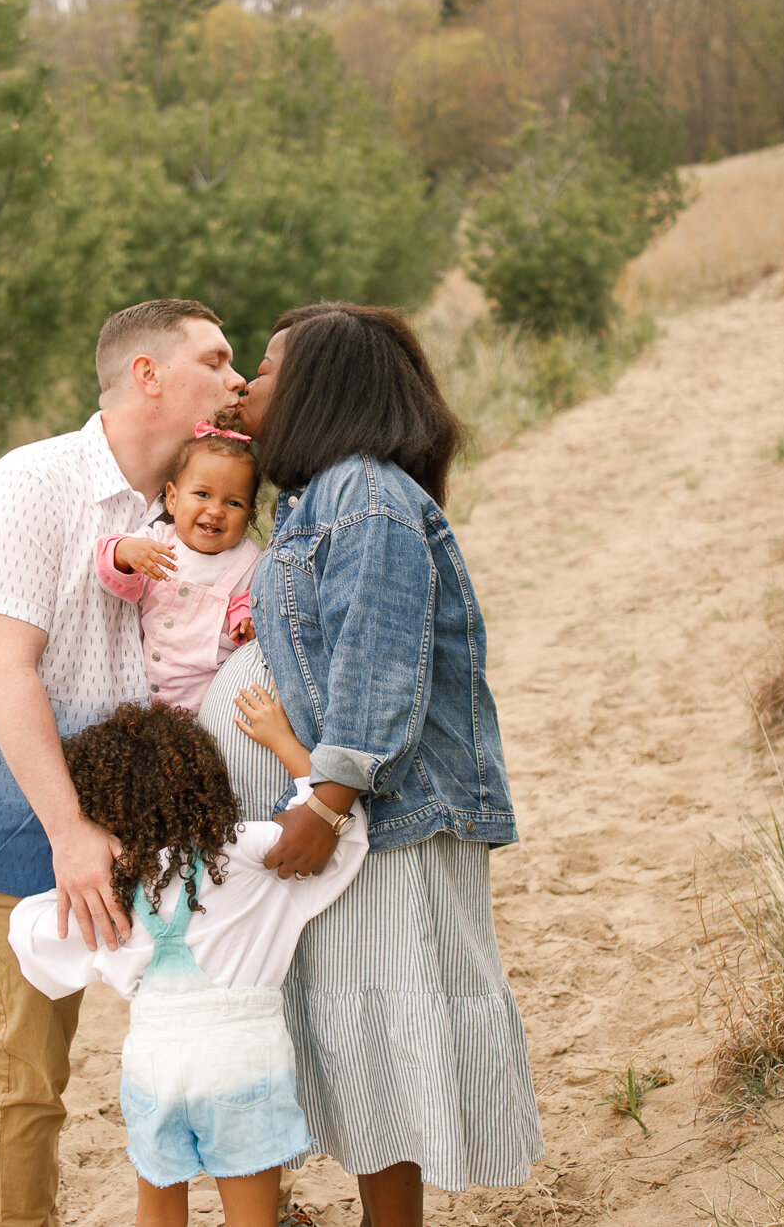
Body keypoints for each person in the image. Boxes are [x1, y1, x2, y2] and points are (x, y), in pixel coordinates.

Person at [200, 303, 544, 1227]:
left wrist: (326, 795)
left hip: (379, 824)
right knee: (363, 1038)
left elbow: (379, 657)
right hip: (347, 825)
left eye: (264, 369)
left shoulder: (367, 495)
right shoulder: (322, 497)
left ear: (316, 386)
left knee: (384, 1031)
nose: (247, 385)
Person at [0, 298, 246, 1227]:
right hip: (28, 833)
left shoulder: (199, 502)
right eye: (217, 360)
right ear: (148, 375)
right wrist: (68, 831)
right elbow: (3, 666)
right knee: (29, 1077)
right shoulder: (31, 485)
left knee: (190, 1055)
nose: (236, 382)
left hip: (158, 837)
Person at [8, 702, 369, 1227]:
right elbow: (339, 830)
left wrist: (83, 857)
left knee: (157, 1209)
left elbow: (29, 932)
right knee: (251, 1217)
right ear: (205, 779)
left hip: (154, 1066)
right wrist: (285, 745)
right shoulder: (247, 854)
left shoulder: (114, 889)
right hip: (244, 1060)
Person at [95, 427, 262, 713]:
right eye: (202, 494)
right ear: (172, 498)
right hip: (144, 691)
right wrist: (124, 552)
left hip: (210, 701)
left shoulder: (248, 559)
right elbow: (109, 567)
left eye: (233, 502)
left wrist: (244, 614)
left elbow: (253, 598)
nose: (216, 510)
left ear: (250, 514)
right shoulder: (159, 540)